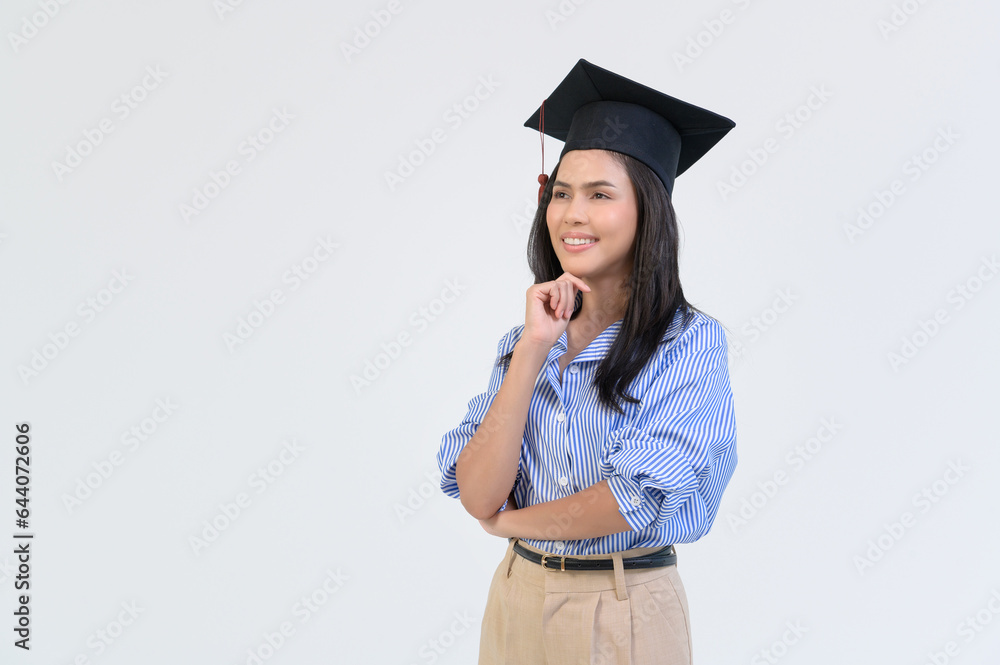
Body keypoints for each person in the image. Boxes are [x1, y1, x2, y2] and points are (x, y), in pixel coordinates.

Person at [437, 59, 738, 665]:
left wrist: (512, 525)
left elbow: (630, 501)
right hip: (517, 596)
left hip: (624, 603)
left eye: (601, 194)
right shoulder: (526, 340)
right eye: (562, 193)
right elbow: (477, 492)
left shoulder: (689, 344)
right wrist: (531, 351)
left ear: (646, 210)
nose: (572, 214)